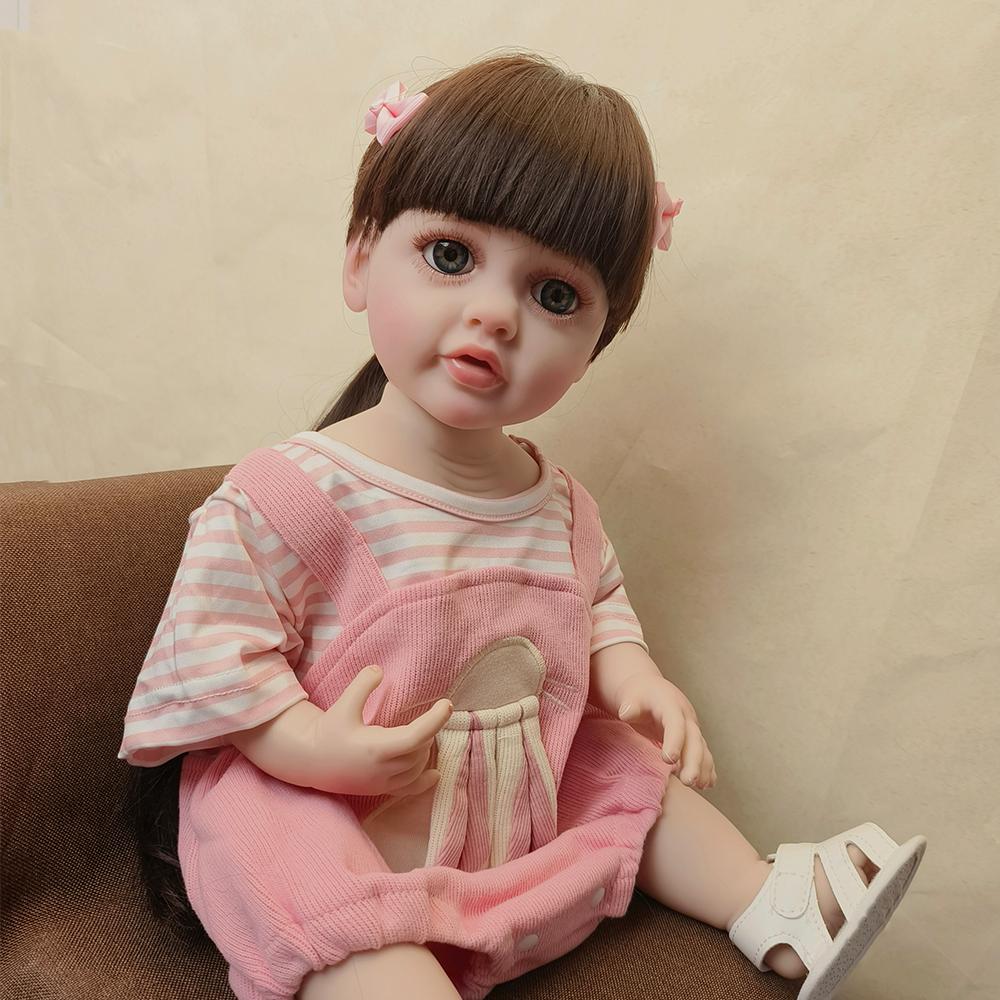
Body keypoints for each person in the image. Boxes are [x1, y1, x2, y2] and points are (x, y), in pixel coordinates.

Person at [118, 51, 926, 1000]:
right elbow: (215, 659)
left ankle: (768, 901)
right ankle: (389, 975)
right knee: (283, 844)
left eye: (555, 296)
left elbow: (600, 605)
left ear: (594, 346)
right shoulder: (290, 494)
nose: (496, 314)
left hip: (498, 799)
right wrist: (307, 746)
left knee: (620, 766)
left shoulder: (560, 504)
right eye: (450, 257)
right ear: (360, 258)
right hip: (332, 803)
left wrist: (635, 678)